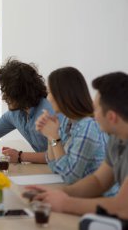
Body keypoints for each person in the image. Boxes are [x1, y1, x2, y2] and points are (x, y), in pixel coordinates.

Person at [27, 72, 128, 217]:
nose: (93, 113)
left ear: (112, 117)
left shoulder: (88, 126)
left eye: (96, 109)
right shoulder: (117, 139)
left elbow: (122, 207)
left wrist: (64, 203)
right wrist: (60, 193)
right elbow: (98, 181)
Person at [33, 67, 110, 184]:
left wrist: (54, 137)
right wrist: (49, 135)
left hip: (99, 197)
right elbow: (55, 167)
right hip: (83, 191)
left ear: (63, 95)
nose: (47, 98)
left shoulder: (88, 126)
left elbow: (70, 177)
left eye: (49, 92)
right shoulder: (67, 121)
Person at [0, 58, 56, 163]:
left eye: (7, 92)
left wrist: (20, 156)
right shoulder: (15, 114)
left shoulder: (49, 112)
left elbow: (58, 156)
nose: (3, 97)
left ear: (22, 92)